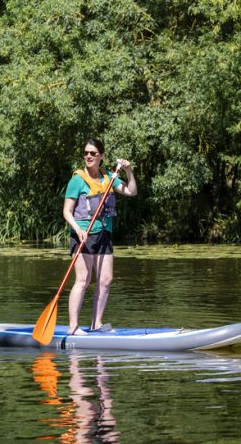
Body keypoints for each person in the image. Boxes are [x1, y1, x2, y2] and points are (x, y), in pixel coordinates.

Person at [63, 139, 137, 335]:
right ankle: (73, 327)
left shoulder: (109, 178)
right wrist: (78, 230)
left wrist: (129, 171)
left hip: (104, 234)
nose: (88, 156)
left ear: (101, 157)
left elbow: (131, 191)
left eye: (93, 153)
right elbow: (67, 212)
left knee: (105, 280)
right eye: (86, 153)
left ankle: (96, 324)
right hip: (83, 235)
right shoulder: (77, 180)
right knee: (83, 279)